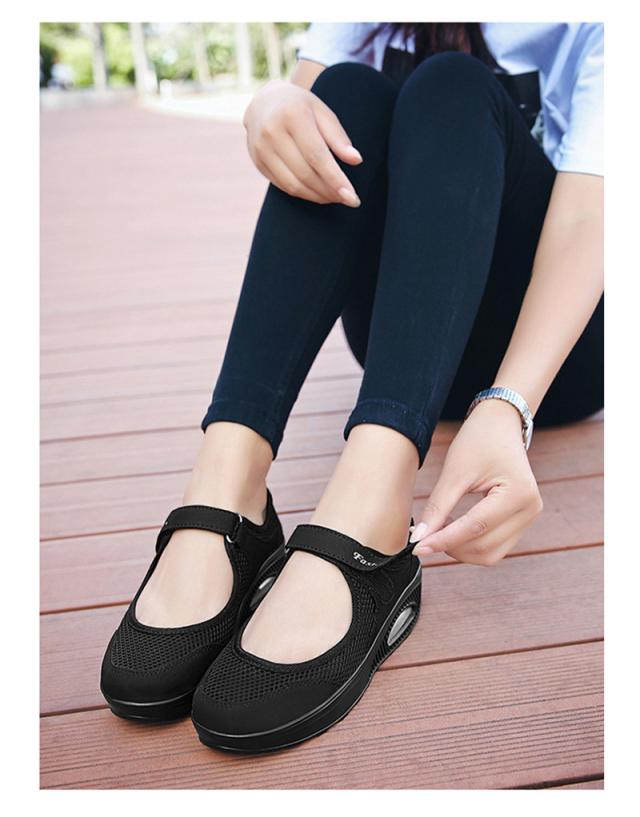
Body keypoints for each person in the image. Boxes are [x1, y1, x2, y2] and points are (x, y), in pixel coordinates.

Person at [101, 22, 603, 752]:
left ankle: (372, 509)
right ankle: (229, 487)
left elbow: (590, 216)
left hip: (555, 349)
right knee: (343, 96)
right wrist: (271, 106)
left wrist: (509, 406)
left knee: (454, 83)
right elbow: (306, 123)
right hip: (403, 332)